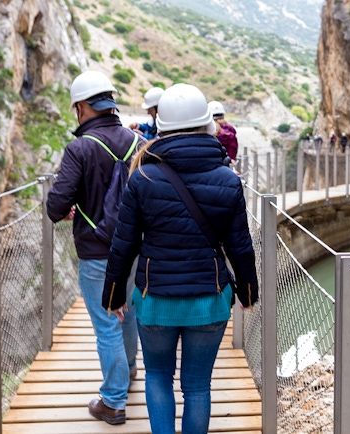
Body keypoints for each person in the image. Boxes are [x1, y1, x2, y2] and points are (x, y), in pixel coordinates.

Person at [102, 84, 259, 434]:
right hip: (209, 300)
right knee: (198, 385)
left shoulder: (142, 176)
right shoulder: (228, 180)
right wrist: (248, 292)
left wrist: (113, 296)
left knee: (158, 376)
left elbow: (123, 244)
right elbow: (240, 246)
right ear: (208, 126)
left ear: (161, 127)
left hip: (156, 300)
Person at [46, 70, 143, 425]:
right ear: (111, 103)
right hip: (133, 248)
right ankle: (129, 372)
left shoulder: (80, 147)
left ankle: (114, 401)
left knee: (106, 323)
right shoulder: (136, 142)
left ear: (83, 107)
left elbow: (56, 205)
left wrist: (71, 206)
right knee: (127, 312)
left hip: (97, 252)